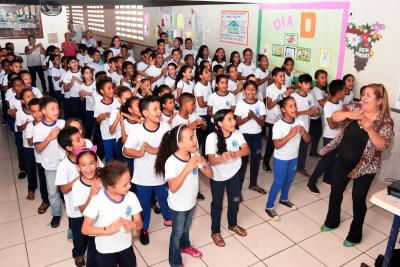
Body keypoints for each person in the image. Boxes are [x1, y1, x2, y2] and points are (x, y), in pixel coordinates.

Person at [321, 84, 393, 247]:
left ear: (379, 101)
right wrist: (350, 114)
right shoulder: (356, 107)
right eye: (363, 94)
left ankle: (355, 235)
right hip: (343, 161)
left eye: (368, 95)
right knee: (335, 191)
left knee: (358, 199)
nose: (363, 97)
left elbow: (382, 145)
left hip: (366, 168)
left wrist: (370, 130)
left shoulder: (385, 121)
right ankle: (332, 221)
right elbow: (335, 117)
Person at [155, 125, 213, 267]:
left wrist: (204, 162)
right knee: (177, 233)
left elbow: (211, 174)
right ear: (179, 144)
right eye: (191, 138)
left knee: (186, 227)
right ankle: (174, 261)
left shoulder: (193, 156)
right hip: (178, 206)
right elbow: (173, 187)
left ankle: (185, 246)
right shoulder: (171, 162)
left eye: (194, 136)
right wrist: (188, 167)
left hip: (191, 202)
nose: (195, 140)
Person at [122, 96, 172, 245]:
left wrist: (155, 150)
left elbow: (170, 148)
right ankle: (144, 229)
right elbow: (126, 150)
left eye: (159, 109)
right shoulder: (137, 131)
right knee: (143, 205)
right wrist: (138, 153)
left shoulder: (165, 127)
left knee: (165, 198)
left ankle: (168, 217)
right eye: (155, 109)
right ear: (144, 113)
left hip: (162, 175)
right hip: (143, 178)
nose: (159, 112)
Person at [82, 161, 143, 267]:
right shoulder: (97, 201)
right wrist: (107, 230)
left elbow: (139, 223)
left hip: (126, 247)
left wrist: (134, 225)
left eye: (129, 182)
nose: (129, 186)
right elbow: (85, 229)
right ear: (111, 188)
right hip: (105, 250)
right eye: (125, 185)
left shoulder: (131, 197)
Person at [206, 109, 249, 247]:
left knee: (235, 200)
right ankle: (215, 231)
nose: (233, 121)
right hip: (218, 176)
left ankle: (232, 224)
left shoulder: (237, 133)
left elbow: (246, 150)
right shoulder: (212, 137)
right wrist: (221, 158)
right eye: (229, 119)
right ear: (220, 123)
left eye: (233, 118)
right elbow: (210, 160)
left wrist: (236, 153)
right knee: (217, 204)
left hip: (234, 173)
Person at [265, 97, 311, 220]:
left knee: (289, 180)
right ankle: (269, 206)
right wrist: (290, 135)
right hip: (281, 159)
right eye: (290, 106)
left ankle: (284, 199)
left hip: (294, 157)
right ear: (283, 109)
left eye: (295, 105)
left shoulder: (300, 122)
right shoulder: (278, 125)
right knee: (278, 182)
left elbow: (308, 140)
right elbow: (277, 145)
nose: (294, 108)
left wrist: (303, 132)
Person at [55, 126, 88, 266]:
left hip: (91, 203)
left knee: (91, 230)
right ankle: (78, 253)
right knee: (79, 234)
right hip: (75, 210)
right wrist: (80, 177)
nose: (83, 141)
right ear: (69, 147)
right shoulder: (64, 166)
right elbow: (63, 188)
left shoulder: (89, 156)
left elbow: (101, 170)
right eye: (78, 140)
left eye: (81, 137)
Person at [307, 80, 347, 194]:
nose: (346, 92)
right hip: (329, 137)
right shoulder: (329, 105)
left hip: (338, 136)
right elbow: (332, 124)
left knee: (334, 159)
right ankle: (312, 181)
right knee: (325, 160)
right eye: (344, 90)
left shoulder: (339, 103)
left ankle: (327, 178)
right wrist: (344, 121)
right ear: (339, 92)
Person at [33, 96, 65, 228]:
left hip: (65, 163)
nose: (56, 111)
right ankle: (56, 213)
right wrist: (50, 137)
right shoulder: (38, 128)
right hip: (50, 166)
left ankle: (73, 211)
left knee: (67, 189)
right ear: (44, 111)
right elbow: (38, 148)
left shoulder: (62, 123)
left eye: (57, 108)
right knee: (53, 192)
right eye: (52, 108)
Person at [235, 80, 267, 197]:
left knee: (255, 161)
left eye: (253, 89)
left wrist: (254, 117)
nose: (251, 92)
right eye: (248, 89)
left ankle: (253, 183)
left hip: (256, 136)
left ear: (257, 92)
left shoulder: (260, 104)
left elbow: (262, 124)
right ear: (243, 91)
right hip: (243, 137)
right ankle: (237, 189)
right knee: (243, 163)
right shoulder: (240, 104)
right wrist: (248, 118)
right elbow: (237, 122)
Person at [71, 148, 100, 267]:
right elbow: (83, 210)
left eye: (91, 163)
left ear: (97, 163)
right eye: (83, 165)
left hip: (107, 223)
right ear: (78, 167)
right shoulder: (77, 186)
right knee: (93, 255)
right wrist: (92, 194)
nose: (88, 169)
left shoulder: (102, 178)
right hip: (93, 228)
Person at [263, 67, 293, 172]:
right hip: (272, 120)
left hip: (282, 119)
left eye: (283, 76)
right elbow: (270, 105)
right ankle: (265, 161)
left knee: (282, 141)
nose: (283, 78)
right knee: (272, 142)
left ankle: (279, 160)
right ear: (274, 77)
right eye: (280, 76)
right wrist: (283, 95)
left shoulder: (284, 87)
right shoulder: (270, 89)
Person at [291, 74, 319, 177]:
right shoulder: (294, 96)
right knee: (293, 149)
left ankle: (301, 167)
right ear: (299, 84)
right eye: (306, 83)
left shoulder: (310, 96)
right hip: (294, 127)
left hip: (306, 127)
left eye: (309, 83)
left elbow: (313, 110)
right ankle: (291, 166)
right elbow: (292, 113)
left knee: (303, 149)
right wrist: (307, 112)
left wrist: (316, 111)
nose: (308, 85)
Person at [94, 77, 120, 162]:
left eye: (112, 87)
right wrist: (100, 118)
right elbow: (97, 121)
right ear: (102, 91)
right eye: (109, 88)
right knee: (109, 158)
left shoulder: (117, 101)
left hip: (118, 134)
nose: (112, 90)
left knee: (119, 156)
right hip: (107, 135)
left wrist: (111, 114)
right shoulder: (98, 105)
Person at [309, 69, 328, 157]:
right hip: (312, 118)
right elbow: (323, 103)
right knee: (310, 136)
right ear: (316, 79)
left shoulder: (322, 90)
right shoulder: (316, 90)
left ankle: (313, 152)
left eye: (325, 77)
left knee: (317, 135)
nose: (325, 79)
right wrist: (331, 95)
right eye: (322, 78)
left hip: (317, 117)